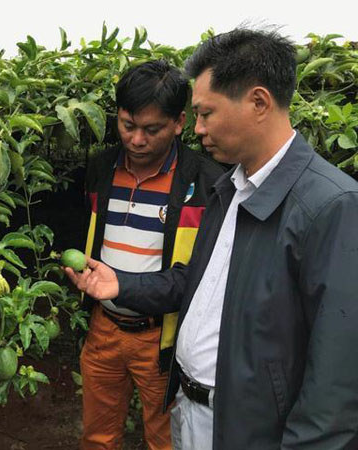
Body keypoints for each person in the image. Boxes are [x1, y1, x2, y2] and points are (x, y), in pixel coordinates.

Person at [66, 28, 358, 450]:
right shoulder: (231, 190)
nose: (198, 128)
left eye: (206, 113)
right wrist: (122, 285)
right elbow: (196, 286)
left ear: (258, 102)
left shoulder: (333, 206)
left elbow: (336, 387)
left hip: (242, 423)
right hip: (194, 409)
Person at [78, 59, 223, 450]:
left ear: (179, 121)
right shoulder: (102, 168)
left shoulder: (205, 183)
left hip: (161, 339)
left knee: (165, 439)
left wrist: (122, 285)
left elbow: (196, 278)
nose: (137, 140)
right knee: (97, 435)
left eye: (151, 129)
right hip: (103, 329)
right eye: (128, 125)